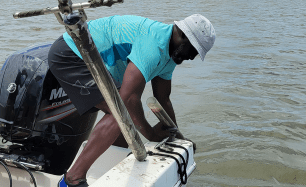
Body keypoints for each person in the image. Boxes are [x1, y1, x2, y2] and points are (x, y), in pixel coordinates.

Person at [49, 14, 216, 186]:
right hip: (73, 52)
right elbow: (128, 101)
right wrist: (151, 134)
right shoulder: (153, 44)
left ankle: (117, 166)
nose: (192, 57)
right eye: (194, 50)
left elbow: (163, 99)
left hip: (89, 57)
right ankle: (72, 179)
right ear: (181, 35)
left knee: (121, 114)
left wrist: (179, 138)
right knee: (119, 112)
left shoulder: (170, 56)